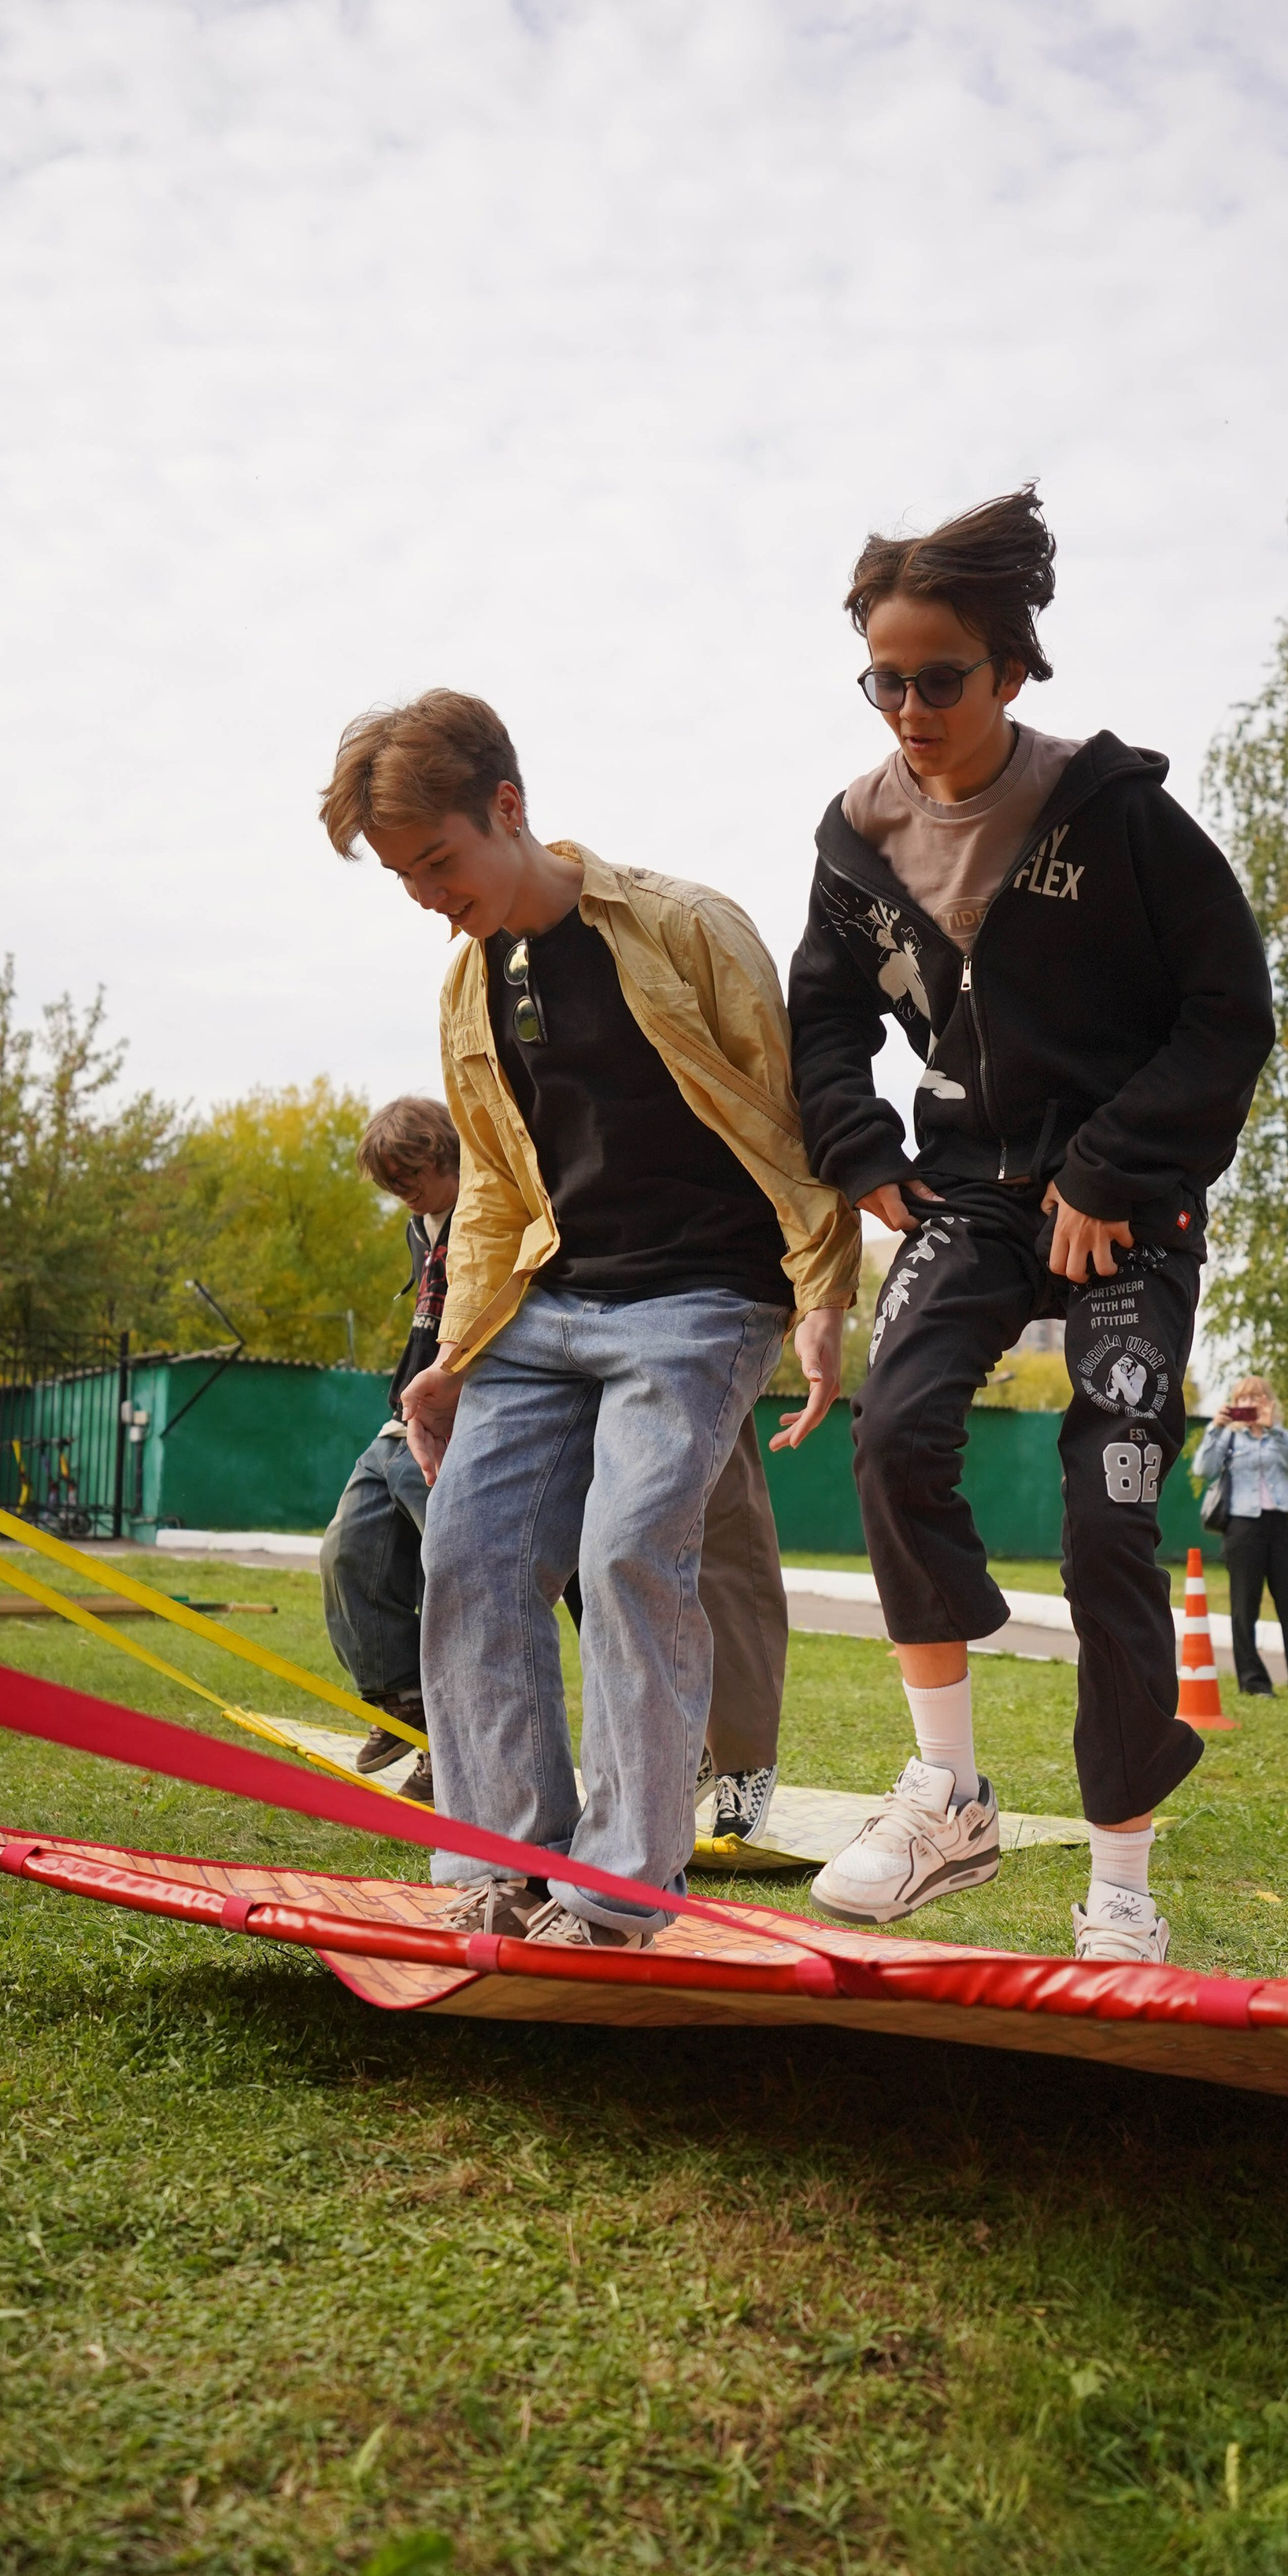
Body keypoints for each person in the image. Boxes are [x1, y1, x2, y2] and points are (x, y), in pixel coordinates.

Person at [787, 486, 1276, 1964]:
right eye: (887, 679)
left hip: (1128, 1202)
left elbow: (1227, 1013)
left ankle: (1121, 1889)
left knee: (1107, 1519)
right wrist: (860, 1145)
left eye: (943, 678)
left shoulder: (1116, 816)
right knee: (895, 1432)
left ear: (1011, 671)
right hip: (971, 1191)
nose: (914, 709)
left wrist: (1115, 1170)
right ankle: (949, 1796)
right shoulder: (858, 835)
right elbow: (820, 1017)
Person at [318, 690, 859, 1945]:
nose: (423, 894)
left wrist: (825, 1290)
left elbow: (789, 1116)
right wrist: (453, 1355)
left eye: (436, 862)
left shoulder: (685, 927)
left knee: (628, 1552)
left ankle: (617, 1893)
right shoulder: (468, 987)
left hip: (701, 1302)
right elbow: (500, 1186)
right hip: (545, 1309)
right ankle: (501, 1863)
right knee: (472, 1556)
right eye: (402, 875)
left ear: (508, 808)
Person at [318, 1096, 794, 1836]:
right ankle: (506, 1808)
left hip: (687, 1313)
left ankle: (737, 1761)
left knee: (689, 1556)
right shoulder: (496, 1139)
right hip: (553, 1334)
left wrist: (817, 1286)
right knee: (491, 1560)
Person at [318, 1095, 461, 1794]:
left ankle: (455, 1742)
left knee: (451, 1581)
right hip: (400, 1421)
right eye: (391, 1184)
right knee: (348, 1550)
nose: (402, 1193)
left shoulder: (489, 1213)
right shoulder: (421, 1225)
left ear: (443, 1153)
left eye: (411, 1175)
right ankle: (402, 1701)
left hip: (460, 1425)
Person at [1193, 1378, 1288, 1703]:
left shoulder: (1279, 1435)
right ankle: (1254, 1683)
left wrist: (1273, 1429)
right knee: (1245, 1606)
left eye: (1256, 1396)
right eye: (1243, 1397)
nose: (1251, 1402)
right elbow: (1204, 1468)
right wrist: (1215, 1428)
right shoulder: (1228, 1437)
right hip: (1243, 1526)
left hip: (1280, 1524)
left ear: (1268, 1401)